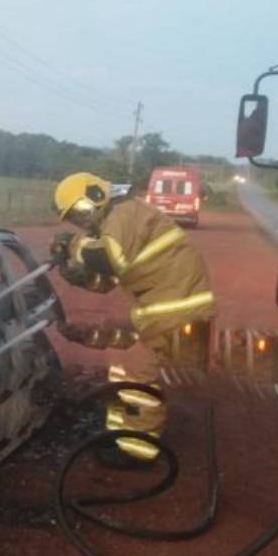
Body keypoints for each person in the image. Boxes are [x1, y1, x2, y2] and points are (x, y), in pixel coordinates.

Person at [49, 172, 215, 466]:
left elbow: (111, 257)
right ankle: (122, 436)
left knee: (136, 373)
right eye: (73, 218)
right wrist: (74, 274)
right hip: (167, 305)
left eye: (81, 212)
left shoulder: (124, 214)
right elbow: (107, 279)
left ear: (96, 198)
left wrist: (73, 245)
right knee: (123, 369)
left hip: (175, 307)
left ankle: (139, 451)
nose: (81, 221)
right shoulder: (112, 225)